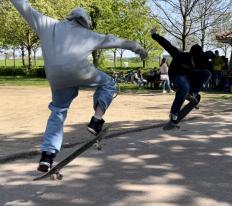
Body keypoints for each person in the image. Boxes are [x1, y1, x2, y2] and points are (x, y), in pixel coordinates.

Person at [10, 0, 147, 172]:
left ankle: (47, 156)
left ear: (70, 17)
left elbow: (25, 8)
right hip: (80, 72)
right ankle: (96, 120)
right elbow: (114, 40)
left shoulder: (48, 25)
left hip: (56, 77)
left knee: (58, 112)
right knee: (108, 84)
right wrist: (138, 48)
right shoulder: (88, 34)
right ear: (85, 22)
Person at [150, 28, 211, 127]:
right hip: (176, 75)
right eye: (196, 58)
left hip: (188, 77)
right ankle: (174, 113)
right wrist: (155, 35)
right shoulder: (180, 54)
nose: (197, 61)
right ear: (192, 55)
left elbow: (207, 60)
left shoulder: (200, 59)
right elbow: (167, 44)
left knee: (206, 73)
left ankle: (193, 93)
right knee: (184, 86)